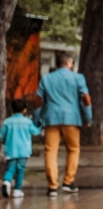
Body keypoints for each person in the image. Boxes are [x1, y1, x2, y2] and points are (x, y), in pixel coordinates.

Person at [36, 53, 92, 196]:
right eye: (72, 62)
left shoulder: (46, 79)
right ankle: (68, 182)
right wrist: (88, 118)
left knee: (50, 151)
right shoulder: (78, 78)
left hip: (51, 119)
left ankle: (52, 186)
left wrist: (37, 118)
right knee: (73, 150)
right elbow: (85, 99)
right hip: (72, 119)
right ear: (68, 63)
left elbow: (38, 101)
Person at [2, 99, 41, 199]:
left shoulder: (7, 122)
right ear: (24, 110)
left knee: (10, 169)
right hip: (23, 151)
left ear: (12, 109)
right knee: (20, 170)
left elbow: (1, 135)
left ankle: (6, 182)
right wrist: (40, 125)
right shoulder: (27, 122)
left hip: (11, 150)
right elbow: (35, 132)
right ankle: (17, 190)